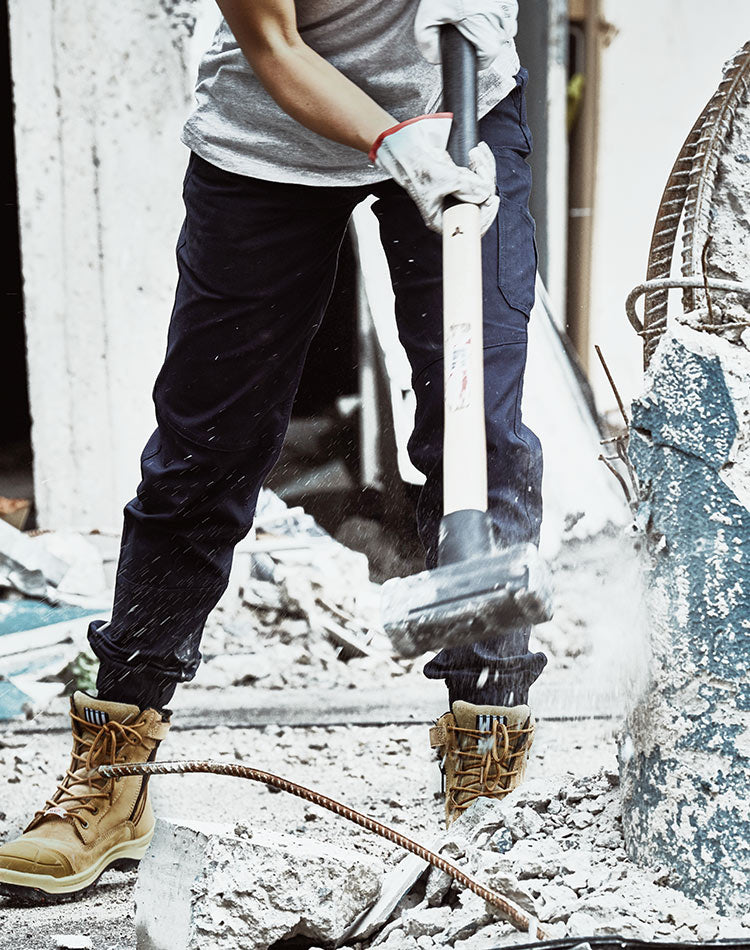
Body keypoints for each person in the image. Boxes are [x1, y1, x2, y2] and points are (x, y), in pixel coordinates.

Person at [0, 0, 546, 897]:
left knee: (480, 438)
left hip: (465, 113)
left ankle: (485, 769)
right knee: (205, 449)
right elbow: (275, 43)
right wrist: (392, 144)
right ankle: (111, 777)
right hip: (271, 135)